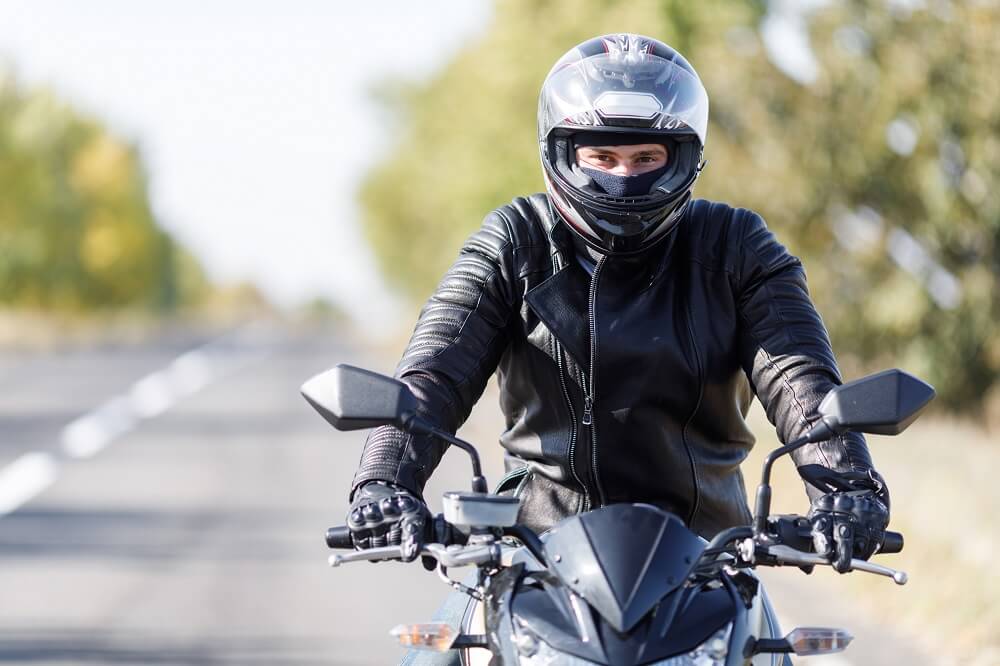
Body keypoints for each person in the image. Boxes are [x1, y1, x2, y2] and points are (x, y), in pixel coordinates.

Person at [346, 33, 890, 580]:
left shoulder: (734, 246)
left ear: (683, 158)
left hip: (709, 562)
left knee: (781, 655)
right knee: (437, 649)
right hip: (535, 560)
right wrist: (384, 482)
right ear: (562, 152)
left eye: (646, 156)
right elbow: (435, 373)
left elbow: (801, 380)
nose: (625, 177)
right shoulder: (517, 240)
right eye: (602, 155)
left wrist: (847, 489)